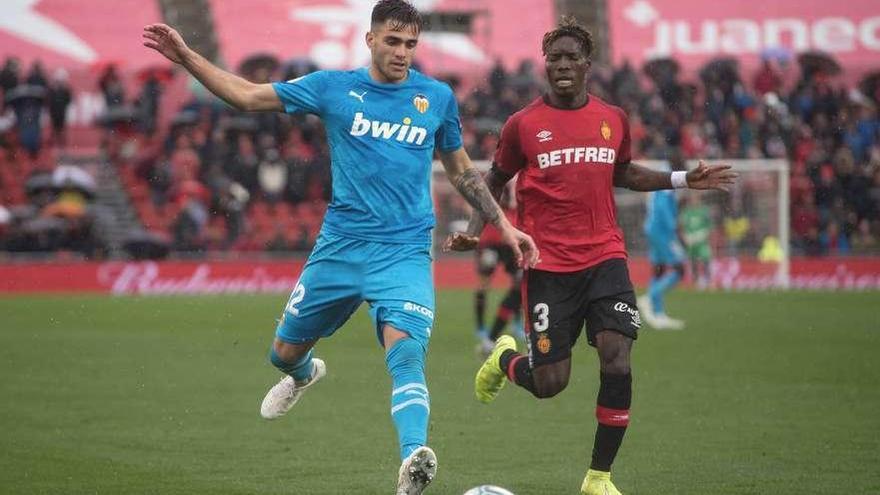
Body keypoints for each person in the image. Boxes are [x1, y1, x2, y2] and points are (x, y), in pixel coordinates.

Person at [143, 2, 538, 494]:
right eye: (392, 41)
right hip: (342, 248)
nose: (401, 53)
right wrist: (186, 57)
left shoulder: (435, 97)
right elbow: (245, 96)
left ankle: (413, 457)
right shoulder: (332, 88)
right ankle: (304, 374)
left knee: (407, 350)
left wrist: (504, 225)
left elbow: (460, 170)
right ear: (370, 40)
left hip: (405, 251)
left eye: (410, 44)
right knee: (283, 353)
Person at [444, 17, 736, 495]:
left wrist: (682, 179)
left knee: (617, 357)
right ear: (546, 65)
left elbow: (622, 172)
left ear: (587, 64)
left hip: (605, 257)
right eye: (553, 58)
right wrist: (477, 231)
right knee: (549, 383)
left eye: (570, 57)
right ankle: (503, 360)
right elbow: (494, 179)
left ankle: (598, 477)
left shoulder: (613, 118)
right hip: (547, 265)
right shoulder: (523, 125)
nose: (561, 65)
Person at [638, 153, 687, 330]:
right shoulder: (667, 183)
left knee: (659, 270)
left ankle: (658, 315)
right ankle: (649, 298)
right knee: (679, 270)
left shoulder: (662, 175)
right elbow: (661, 208)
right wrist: (674, 230)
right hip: (662, 231)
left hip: (652, 227)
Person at [473, 183, 523, 356]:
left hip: (511, 242)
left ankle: (516, 323)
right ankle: (480, 327)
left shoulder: (520, 180)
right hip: (490, 242)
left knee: (519, 283)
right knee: (483, 284)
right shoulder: (496, 178)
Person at [680, 191, 713, 289]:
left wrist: (704, 234)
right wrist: (685, 237)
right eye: (692, 198)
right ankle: (695, 281)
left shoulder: (704, 211)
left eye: (696, 198)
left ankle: (708, 281)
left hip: (702, 241)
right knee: (693, 261)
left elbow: (710, 226)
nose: (694, 200)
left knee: (705, 259)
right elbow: (681, 227)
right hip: (691, 242)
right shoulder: (686, 212)